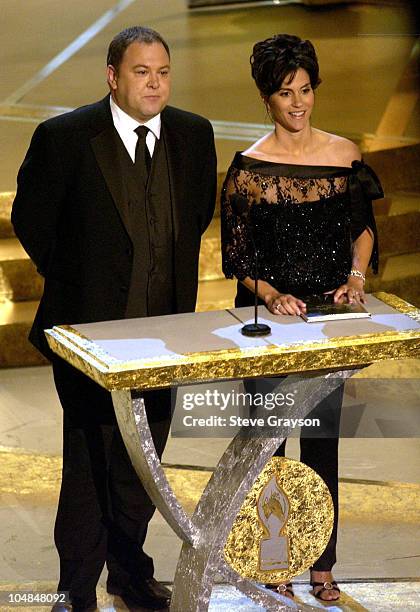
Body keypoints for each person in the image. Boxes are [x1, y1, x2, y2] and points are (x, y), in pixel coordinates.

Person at [12, 26, 216, 611]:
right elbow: (33, 220)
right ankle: (75, 588)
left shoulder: (193, 135)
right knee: (88, 463)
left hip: (165, 339)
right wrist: (80, 283)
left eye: (163, 72)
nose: (154, 84)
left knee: (142, 467)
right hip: (87, 338)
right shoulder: (65, 138)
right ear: (113, 76)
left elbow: (195, 215)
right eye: (141, 72)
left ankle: (129, 573)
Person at [221, 34, 383, 602]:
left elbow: (362, 228)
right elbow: (236, 259)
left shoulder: (344, 155)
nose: (298, 103)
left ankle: (320, 563)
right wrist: (269, 295)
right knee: (268, 445)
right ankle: (273, 563)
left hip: (326, 322)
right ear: (265, 99)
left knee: (322, 439)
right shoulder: (248, 169)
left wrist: (356, 278)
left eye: (306, 90)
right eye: (285, 93)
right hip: (270, 326)